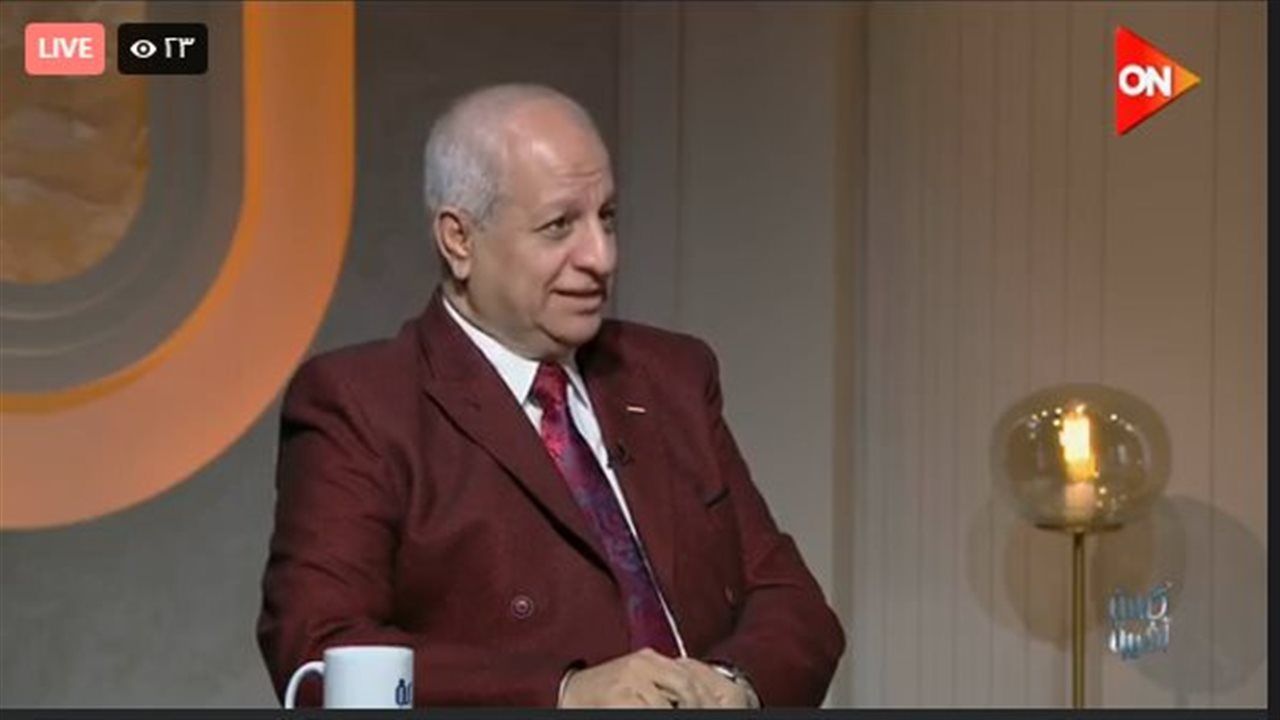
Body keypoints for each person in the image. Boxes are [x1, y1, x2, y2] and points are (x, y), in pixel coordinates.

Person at [256, 83, 845, 709]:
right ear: (459, 239)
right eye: (559, 226)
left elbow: (794, 604)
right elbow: (318, 649)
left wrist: (733, 686)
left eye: (607, 218)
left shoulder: (671, 376)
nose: (601, 257)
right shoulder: (362, 405)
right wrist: (563, 694)